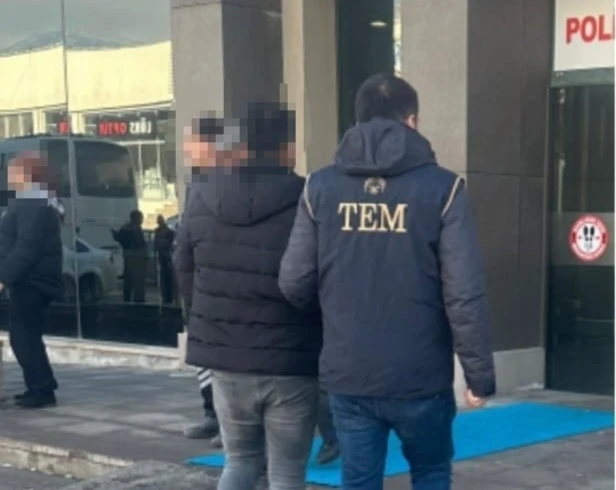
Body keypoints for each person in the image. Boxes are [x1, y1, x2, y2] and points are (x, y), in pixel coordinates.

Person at [279, 73, 496, 490]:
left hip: (349, 371)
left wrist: (337, 310)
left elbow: (293, 281)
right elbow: (463, 292)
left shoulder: (320, 187)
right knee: (431, 473)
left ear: (357, 120)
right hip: (420, 374)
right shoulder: (444, 189)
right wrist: (478, 376)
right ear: (411, 121)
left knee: (359, 479)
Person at [174, 104, 322, 490]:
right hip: (291, 356)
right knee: (287, 474)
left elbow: (183, 266)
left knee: (239, 462)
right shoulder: (308, 197)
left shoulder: (201, 195)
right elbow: (319, 275)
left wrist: (209, 316)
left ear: (237, 146)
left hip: (226, 358)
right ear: (287, 148)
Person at [0, 151, 64, 409]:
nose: (8, 176)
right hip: (30, 280)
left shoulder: (33, 203)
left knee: (23, 337)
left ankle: (42, 389)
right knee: (26, 336)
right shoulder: (31, 201)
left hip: (33, 281)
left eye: (13, 171)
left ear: (27, 174)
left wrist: (3, 277)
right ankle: (38, 387)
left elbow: (27, 247)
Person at [112, 210, 148, 303]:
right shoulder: (131, 229)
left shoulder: (132, 228)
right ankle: (137, 301)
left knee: (129, 280)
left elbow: (118, 238)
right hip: (135, 258)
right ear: (134, 218)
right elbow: (138, 243)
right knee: (136, 280)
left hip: (131, 257)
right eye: (140, 218)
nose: (142, 220)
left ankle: (128, 300)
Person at [154, 214, 175, 304]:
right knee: (162, 277)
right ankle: (164, 296)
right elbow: (155, 244)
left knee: (168, 277)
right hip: (161, 256)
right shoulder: (157, 231)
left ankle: (169, 296)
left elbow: (170, 243)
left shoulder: (169, 232)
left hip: (167, 256)